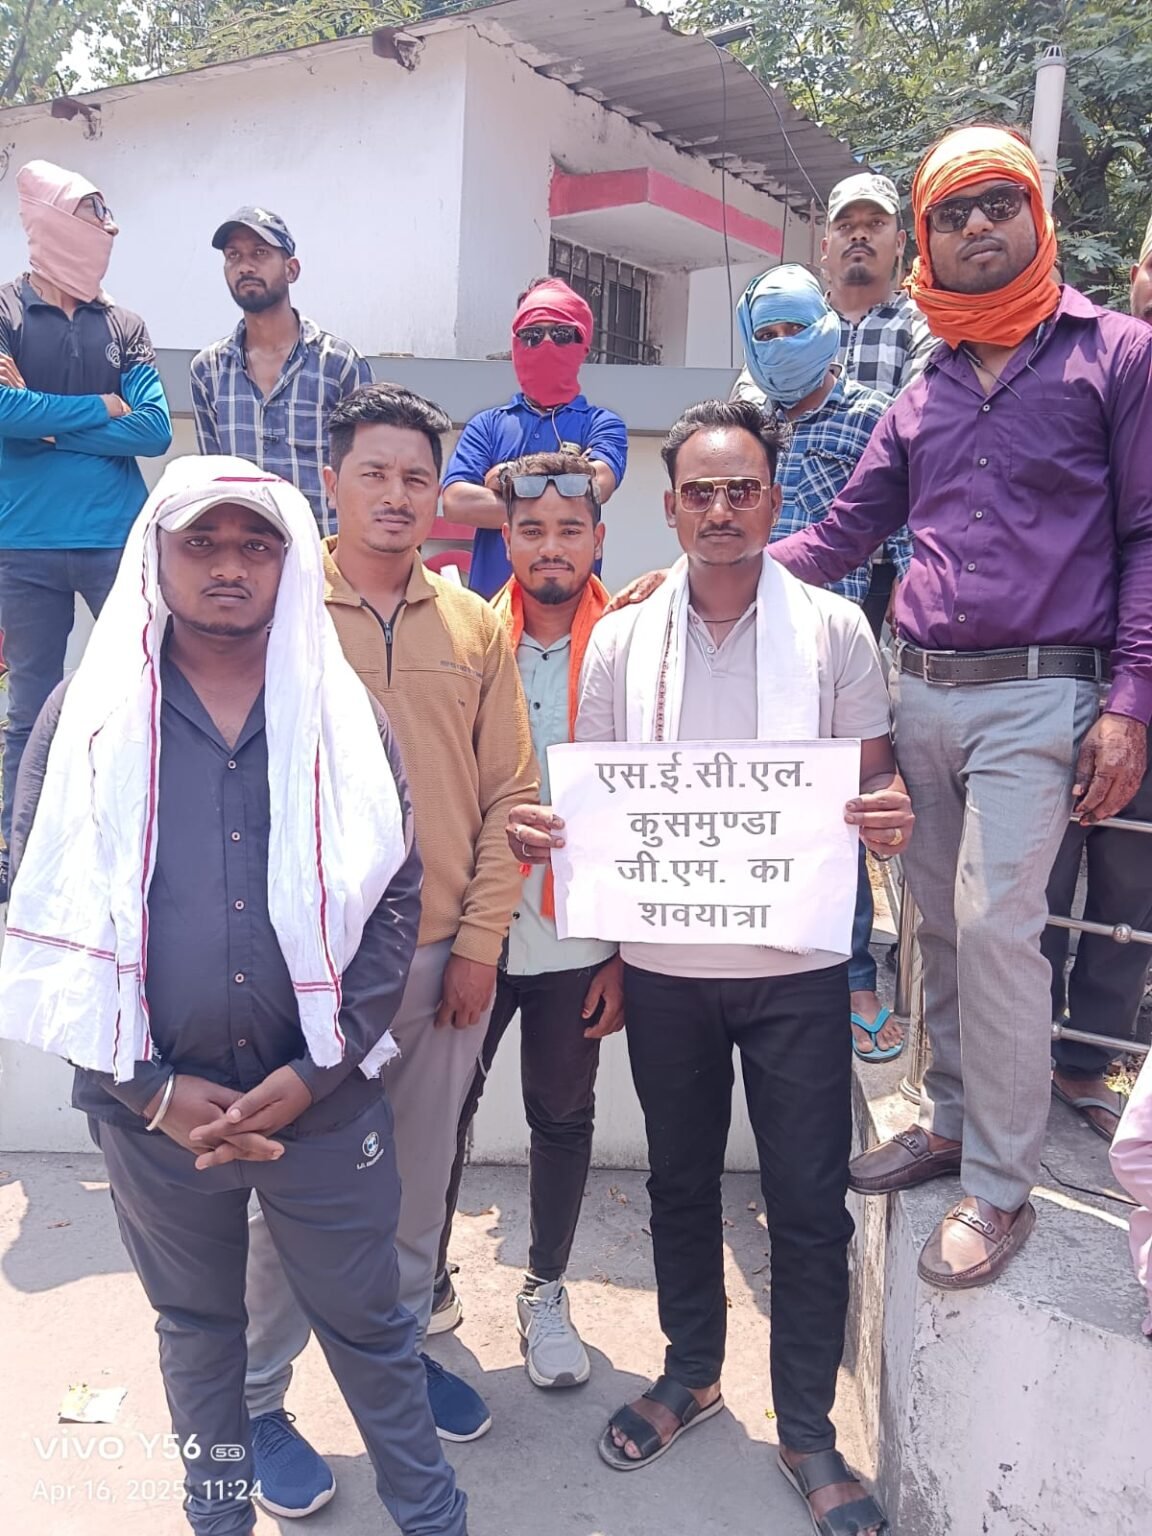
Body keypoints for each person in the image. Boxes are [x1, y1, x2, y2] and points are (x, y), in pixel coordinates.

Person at [0, 456, 467, 1536]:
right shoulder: (90, 713)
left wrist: (318, 1071)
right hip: (151, 1112)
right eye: (201, 542)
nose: (228, 565)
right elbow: (45, 897)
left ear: (289, 565)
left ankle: (430, 1516)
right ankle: (217, 1517)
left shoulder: (341, 712)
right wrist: (150, 1089)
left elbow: (396, 891)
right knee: (198, 1329)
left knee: (371, 1327)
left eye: (256, 545)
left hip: (324, 1103)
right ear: (155, 557)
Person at [513, 399, 911, 1535]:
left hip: (796, 963)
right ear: (671, 504)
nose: (722, 510)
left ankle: (808, 1428)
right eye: (702, 492)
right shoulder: (624, 640)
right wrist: (550, 835)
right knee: (680, 1183)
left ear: (775, 502)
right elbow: (600, 803)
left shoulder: (833, 630)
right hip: (665, 967)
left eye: (743, 491)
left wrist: (888, 813)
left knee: (808, 1202)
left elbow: (874, 780)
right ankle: (691, 1374)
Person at [770, 125, 1152, 1290]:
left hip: (1044, 692)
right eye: (953, 212)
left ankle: (999, 1185)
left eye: (999, 203)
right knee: (933, 921)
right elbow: (844, 533)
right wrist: (707, 575)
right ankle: (945, 1121)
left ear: (1037, 215)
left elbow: (1147, 536)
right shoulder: (924, 391)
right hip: (922, 690)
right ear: (926, 241)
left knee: (996, 926)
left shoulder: (1116, 356)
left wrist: (1130, 703)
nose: (978, 225)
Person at [241, 385, 538, 1509]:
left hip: (435, 962)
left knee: (416, 1186)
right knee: (286, 1193)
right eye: (375, 473)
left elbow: (511, 792)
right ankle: (253, 1398)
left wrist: (480, 942)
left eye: (418, 477)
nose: (397, 496)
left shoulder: (473, 625)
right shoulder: (275, 611)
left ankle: (400, 1352)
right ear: (331, 482)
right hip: (298, 973)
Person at [429, 451, 624, 1386]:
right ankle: (423, 1279)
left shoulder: (630, 643)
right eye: (533, 529)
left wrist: (624, 954)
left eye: (570, 529)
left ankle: (545, 1288)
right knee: (441, 1112)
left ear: (598, 537)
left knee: (562, 1113)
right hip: (471, 925)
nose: (552, 547)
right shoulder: (466, 635)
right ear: (503, 538)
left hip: (578, 939)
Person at [737, 263, 907, 1064]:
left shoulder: (874, 416)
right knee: (759, 806)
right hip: (742, 639)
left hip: (837, 645)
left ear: (827, 329)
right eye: (765, 333)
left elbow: (898, 539)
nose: (781, 346)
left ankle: (855, 979)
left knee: (839, 815)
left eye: (794, 329)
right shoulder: (746, 423)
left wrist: (891, 647)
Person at [0, 159, 172, 898]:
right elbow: (0, 413)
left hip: (115, 541)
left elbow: (155, 429)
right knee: (29, 707)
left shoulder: (124, 325)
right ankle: (21, 860)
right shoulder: (5, 310)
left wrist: (43, 424)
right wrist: (102, 407)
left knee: (141, 695)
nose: (108, 230)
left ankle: (140, 848)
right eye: (91, 215)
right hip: (23, 545)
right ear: (47, 220)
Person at [1040, 210, 1152, 1142]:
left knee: (1129, 881)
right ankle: (1022, 1048)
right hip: (1070, 662)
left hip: (1140, 682)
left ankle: (1086, 1058)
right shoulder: (1097, 365)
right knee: (1038, 874)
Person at [733, 171, 936, 637]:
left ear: (900, 242)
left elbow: (913, 436)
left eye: (875, 224)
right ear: (825, 248)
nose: (859, 235)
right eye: (846, 226)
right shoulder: (791, 317)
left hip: (876, 562)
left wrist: (911, 568)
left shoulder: (921, 327)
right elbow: (751, 412)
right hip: (776, 551)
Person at [190, 207, 372, 536]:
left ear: (291, 269)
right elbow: (213, 478)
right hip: (245, 549)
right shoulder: (209, 370)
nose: (245, 266)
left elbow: (367, 469)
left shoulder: (338, 363)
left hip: (322, 550)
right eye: (233, 255)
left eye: (260, 253)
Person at [441, 277, 628, 598]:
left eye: (561, 334)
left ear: (583, 346)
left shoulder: (602, 424)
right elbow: (457, 503)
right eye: (532, 335)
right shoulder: (486, 425)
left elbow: (598, 484)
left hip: (577, 613)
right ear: (516, 346)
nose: (545, 344)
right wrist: (565, 489)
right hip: (492, 613)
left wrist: (505, 477)